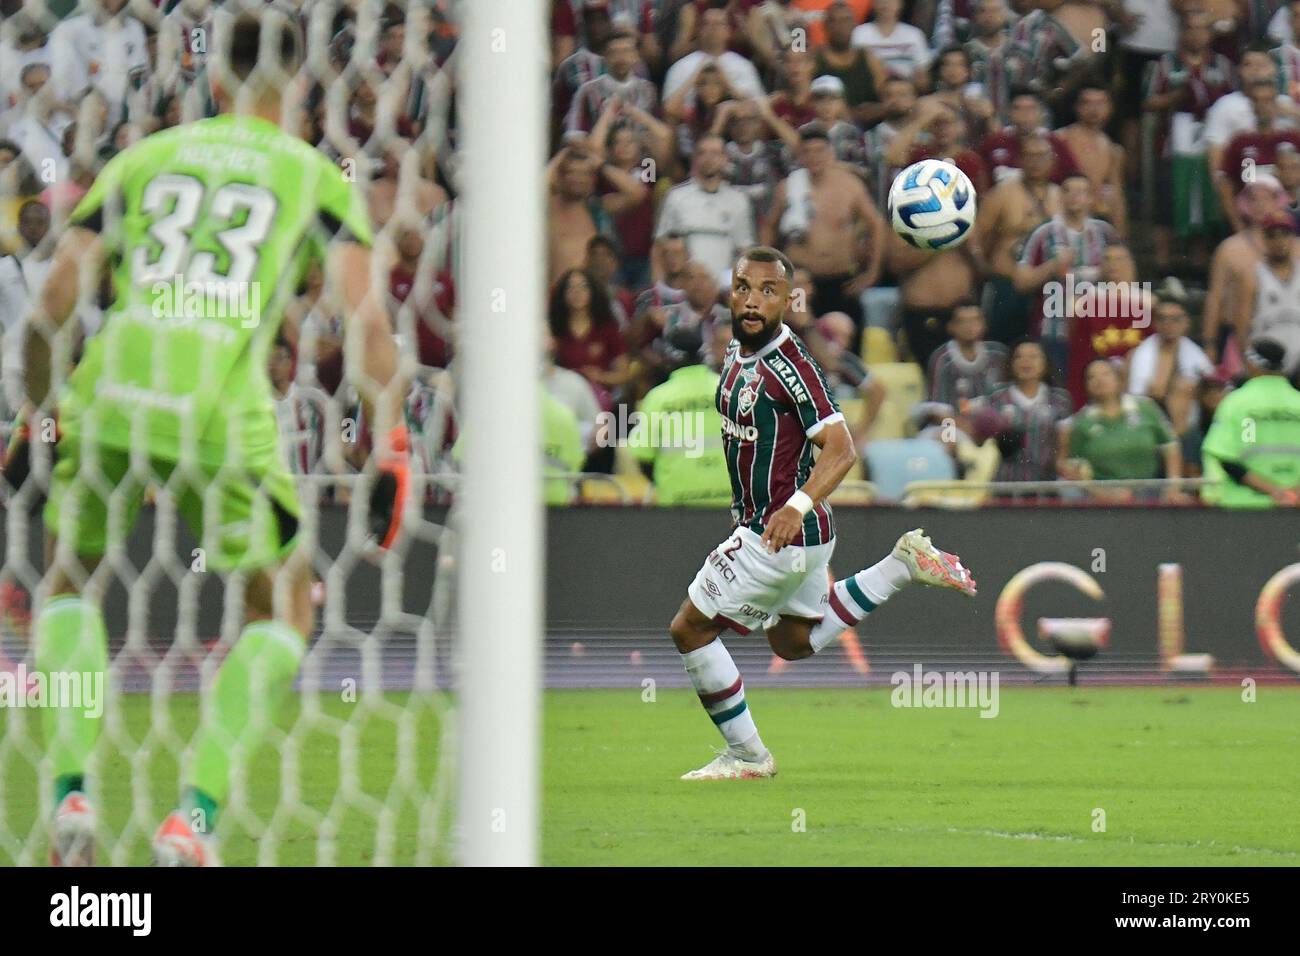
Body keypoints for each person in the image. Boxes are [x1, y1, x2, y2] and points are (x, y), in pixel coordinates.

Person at [8, 12, 407, 867]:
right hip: (222, 409)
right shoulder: (312, 175)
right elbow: (366, 325)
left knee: (68, 581)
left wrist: (39, 417)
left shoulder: (145, 156)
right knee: (284, 608)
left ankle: (71, 798)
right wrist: (392, 441)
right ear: (300, 87)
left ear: (213, 81)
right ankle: (192, 821)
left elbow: (50, 311)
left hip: (110, 389)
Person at [669, 245, 976, 780]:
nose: (753, 300)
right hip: (803, 533)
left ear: (789, 301)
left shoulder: (794, 368)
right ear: (731, 292)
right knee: (792, 642)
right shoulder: (736, 354)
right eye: (744, 287)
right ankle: (899, 566)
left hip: (779, 531)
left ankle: (748, 758)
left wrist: (794, 506)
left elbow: (842, 449)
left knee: (690, 629)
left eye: (769, 291)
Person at [765, 125, 885, 351]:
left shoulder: (849, 185)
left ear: (830, 152)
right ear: (799, 156)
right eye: (807, 152)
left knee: (846, 343)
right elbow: (770, 227)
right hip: (799, 281)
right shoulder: (788, 187)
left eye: (819, 150)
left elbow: (877, 224)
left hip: (841, 280)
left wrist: (872, 273)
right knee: (796, 341)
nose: (814, 157)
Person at [629, 325, 731, 506]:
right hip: (729, 498)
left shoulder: (658, 398)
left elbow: (643, 456)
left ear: (668, 357)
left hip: (678, 502)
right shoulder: (728, 390)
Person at [1061, 359, 1185, 502]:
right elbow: (1075, 468)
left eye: (1105, 374)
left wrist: (1173, 487)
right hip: (1103, 500)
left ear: (1118, 379)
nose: (1099, 380)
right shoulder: (1082, 422)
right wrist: (1104, 494)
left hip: (1151, 492)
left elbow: (1170, 446)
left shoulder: (1146, 407)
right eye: (1091, 377)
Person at [1201, 336, 1300, 507]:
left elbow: (1227, 458)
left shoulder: (1238, 403)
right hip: (1295, 505)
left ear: (1252, 364)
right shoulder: (1297, 402)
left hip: (1247, 505)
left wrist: (1274, 492)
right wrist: (1292, 493)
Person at [654, 133, 755, 284]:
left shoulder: (739, 201)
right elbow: (660, 246)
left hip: (723, 289)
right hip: (683, 287)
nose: (708, 158)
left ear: (725, 159)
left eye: (715, 153)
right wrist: (659, 288)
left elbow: (744, 250)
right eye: (702, 153)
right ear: (695, 159)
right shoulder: (676, 197)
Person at [973, 339, 1074, 482]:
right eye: (1019, 357)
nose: (1026, 362)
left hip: (1045, 485)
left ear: (1045, 363)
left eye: (1033, 356)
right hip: (1002, 482)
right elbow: (978, 438)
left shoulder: (1059, 399)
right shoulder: (995, 396)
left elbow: (1063, 444)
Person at [1233, 209, 1300, 377]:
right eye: (1272, 235)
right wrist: (1250, 363)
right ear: (1264, 239)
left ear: (1293, 237)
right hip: (1265, 364)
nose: (1279, 241)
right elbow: (1242, 327)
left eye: (1285, 234)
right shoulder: (1252, 276)